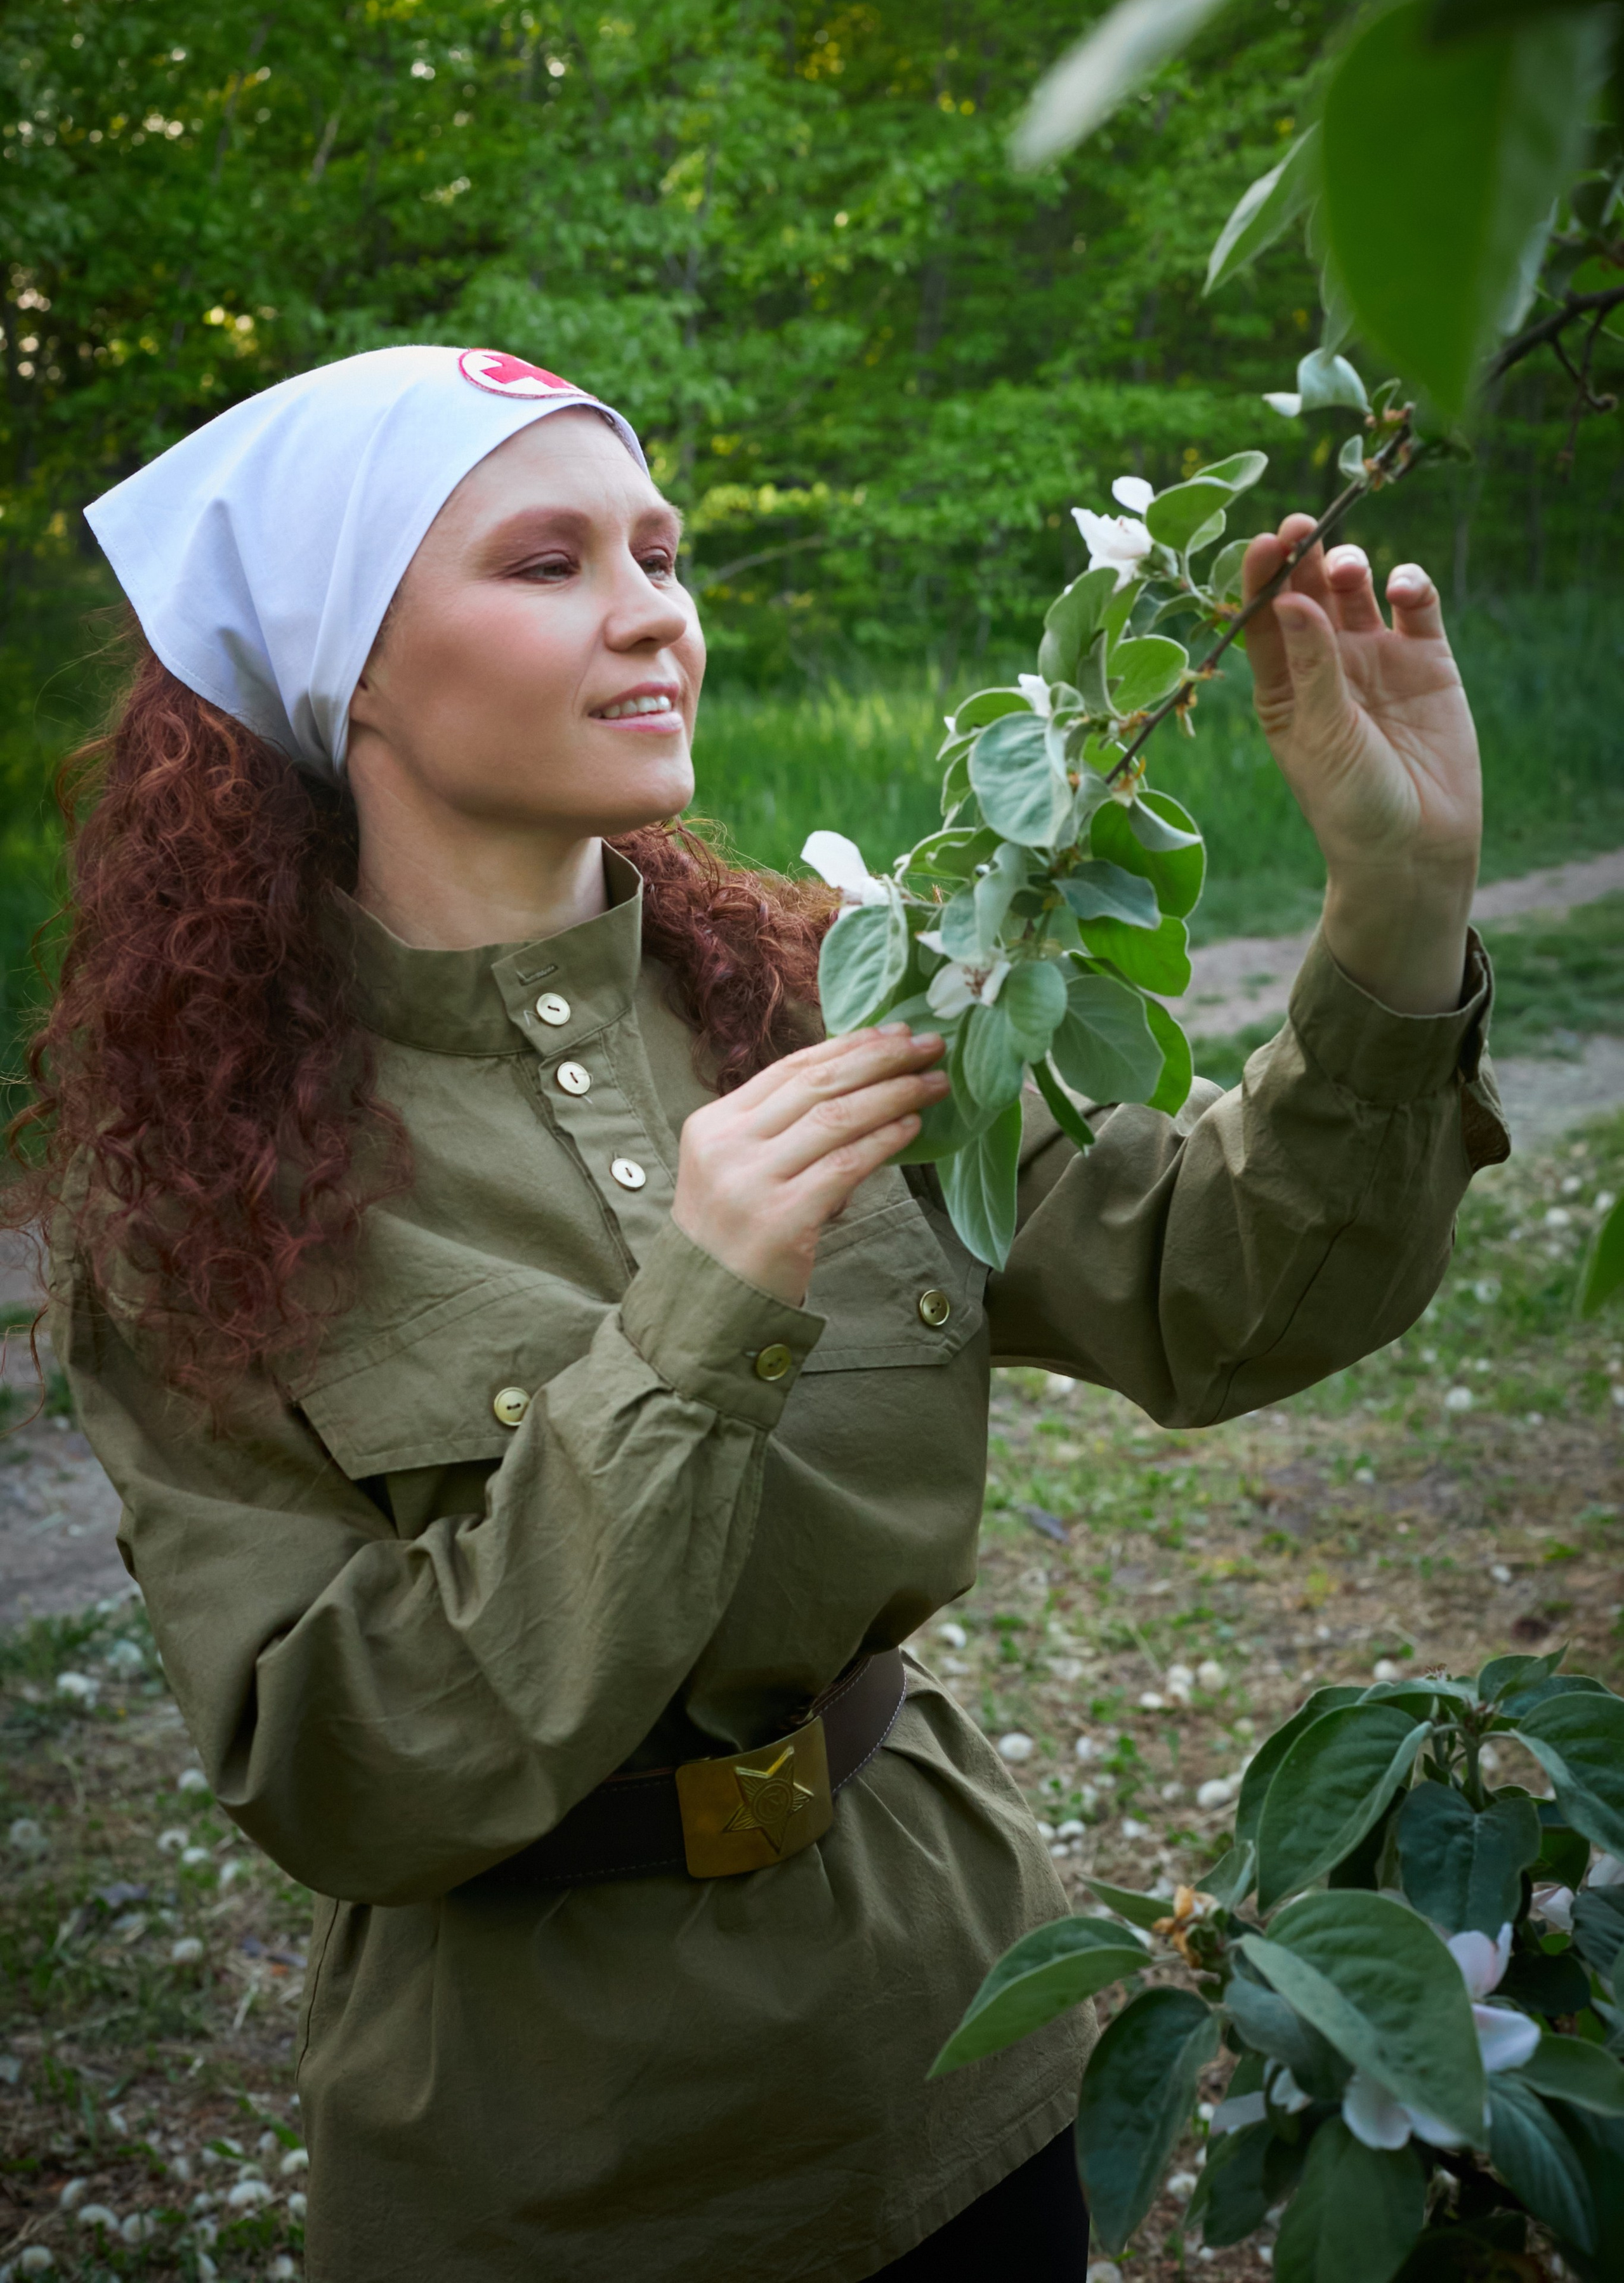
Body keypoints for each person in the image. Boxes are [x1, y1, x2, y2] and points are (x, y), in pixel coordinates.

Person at [10, 346, 1507, 2283]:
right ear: (349, 660)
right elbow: (344, 1765)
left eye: (659, 550)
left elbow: (1214, 1289)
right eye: (547, 563)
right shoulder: (201, 1199)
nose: (653, 611)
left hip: (960, 2057)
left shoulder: (818, 994)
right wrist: (690, 1318)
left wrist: (1399, 905)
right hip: (557, 2171)